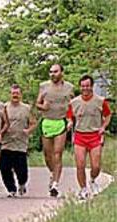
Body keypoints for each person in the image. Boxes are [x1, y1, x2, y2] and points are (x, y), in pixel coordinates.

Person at [68, 75, 111, 200]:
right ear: (80, 87)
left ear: (92, 86)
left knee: (96, 166)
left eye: (87, 86)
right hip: (80, 136)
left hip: (95, 136)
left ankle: (92, 180)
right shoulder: (74, 102)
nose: (85, 88)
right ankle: (83, 189)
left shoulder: (100, 101)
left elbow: (108, 115)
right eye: (83, 86)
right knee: (80, 164)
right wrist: (70, 122)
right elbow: (69, 116)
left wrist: (103, 127)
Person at [36, 64, 74, 197]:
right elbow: (37, 104)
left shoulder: (69, 87)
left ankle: (55, 184)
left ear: (61, 72)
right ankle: (53, 174)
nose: (52, 74)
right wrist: (43, 107)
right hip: (47, 121)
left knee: (57, 154)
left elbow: (72, 105)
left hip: (61, 122)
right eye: (51, 72)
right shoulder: (44, 86)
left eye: (55, 72)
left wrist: (70, 120)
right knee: (48, 155)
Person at [0, 84, 36, 197]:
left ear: (20, 95)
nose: (15, 95)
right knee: (4, 167)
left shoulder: (27, 108)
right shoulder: (4, 107)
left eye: (17, 93)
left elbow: (33, 123)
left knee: (21, 170)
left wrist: (28, 131)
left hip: (20, 143)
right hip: (6, 142)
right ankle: (11, 189)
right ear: (10, 95)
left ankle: (22, 184)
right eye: (13, 93)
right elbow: (0, 123)